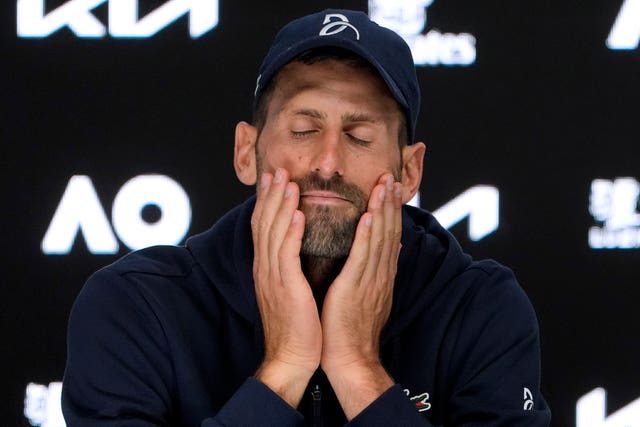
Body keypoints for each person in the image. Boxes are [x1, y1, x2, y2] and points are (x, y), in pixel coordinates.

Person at [61, 8, 551, 427]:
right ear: (246, 152)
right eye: (302, 129)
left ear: (409, 170)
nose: (328, 161)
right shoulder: (136, 305)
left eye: (359, 135)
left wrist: (358, 369)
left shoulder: (480, 307)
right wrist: (285, 366)